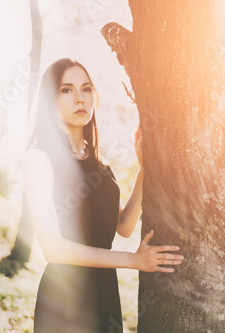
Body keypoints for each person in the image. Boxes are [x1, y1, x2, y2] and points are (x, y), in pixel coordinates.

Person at [22, 58, 184, 333]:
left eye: (86, 89)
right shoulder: (39, 158)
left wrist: (145, 170)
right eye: (66, 90)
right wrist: (133, 260)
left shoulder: (99, 163)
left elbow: (123, 226)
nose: (79, 98)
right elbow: (52, 248)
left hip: (105, 294)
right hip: (63, 303)